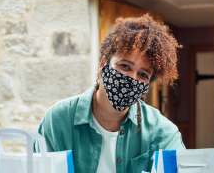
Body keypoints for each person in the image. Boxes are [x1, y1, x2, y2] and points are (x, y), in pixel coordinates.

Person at [38, 14, 186, 173]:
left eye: (143, 75)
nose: (131, 78)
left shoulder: (162, 131)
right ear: (103, 64)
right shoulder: (59, 120)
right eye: (125, 66)